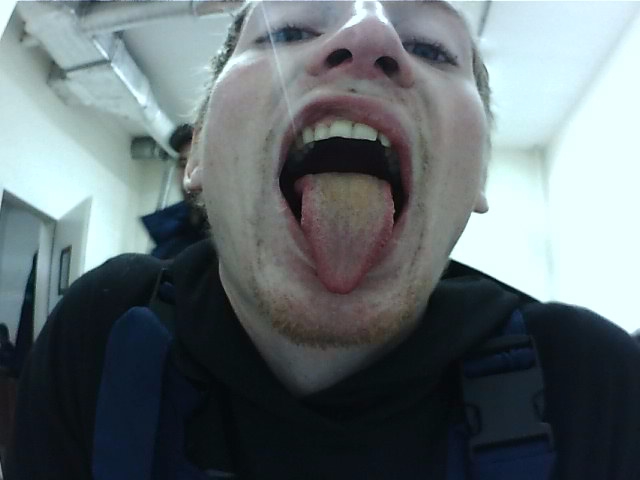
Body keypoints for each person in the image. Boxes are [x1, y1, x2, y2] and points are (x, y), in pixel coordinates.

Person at [7, 1, 640, 479]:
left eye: (431, 48)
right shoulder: (103, 330)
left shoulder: (590, 383)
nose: (370, 36)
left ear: (478, 174)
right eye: (287, 31)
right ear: (196, 153)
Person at [141, 123, 208, 259]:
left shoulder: (234, 242)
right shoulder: (168, 235)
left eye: (199, 164)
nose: (189, 175)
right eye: (183, 164)